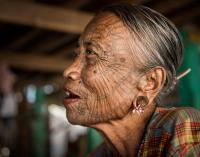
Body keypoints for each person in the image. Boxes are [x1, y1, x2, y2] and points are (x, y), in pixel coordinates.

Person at [63, 3, 200, 157]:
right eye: (77, 54)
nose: (69, 71)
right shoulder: (99, 154)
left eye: (91, 53)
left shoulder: (183, 128)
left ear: (150, 82)